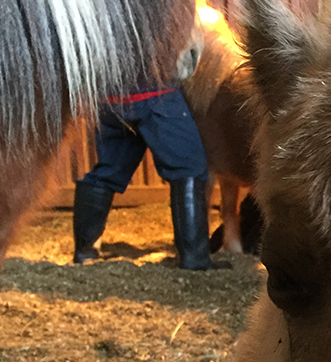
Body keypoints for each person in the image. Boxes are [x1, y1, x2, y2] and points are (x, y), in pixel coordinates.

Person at [72, 82, 228, 270]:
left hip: (110, 99)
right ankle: (194, 258)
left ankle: (85, 254)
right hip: (156, 93)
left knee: (108, 170)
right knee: (189, 169)